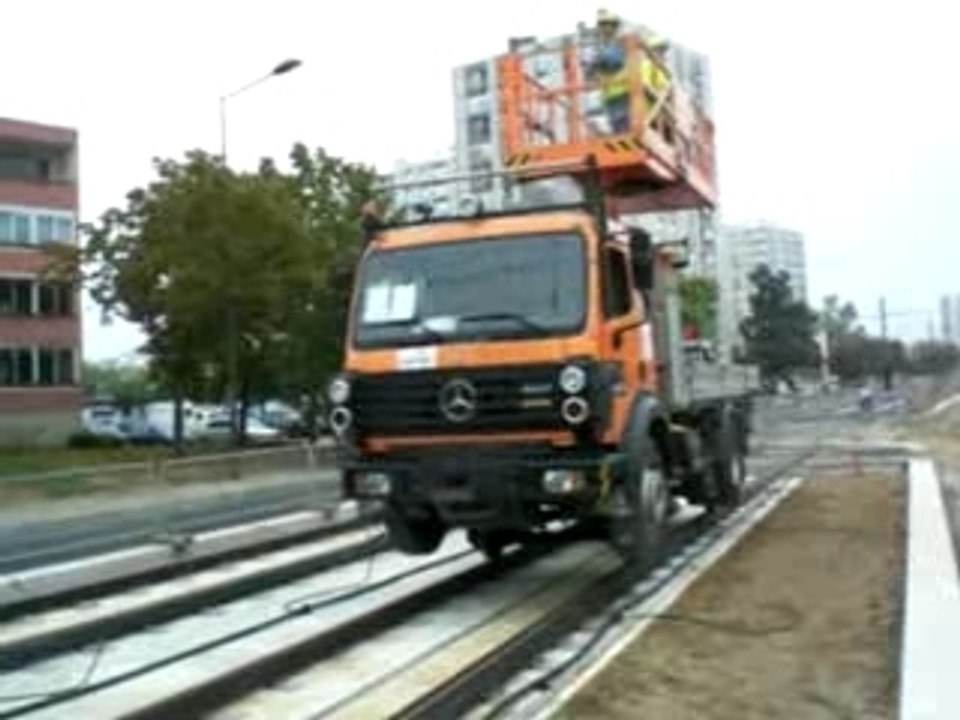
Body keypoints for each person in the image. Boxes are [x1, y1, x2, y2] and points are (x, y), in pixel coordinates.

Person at [589, 10, 671, 135]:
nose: (605, 28)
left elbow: (661, 89)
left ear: (614, 26)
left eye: (608, 24)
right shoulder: (604, 48)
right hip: (613, 98)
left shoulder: (621, 45)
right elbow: (595, 74)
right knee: (620, 127)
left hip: (628, 97)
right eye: (603, 25)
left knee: (626, 128)